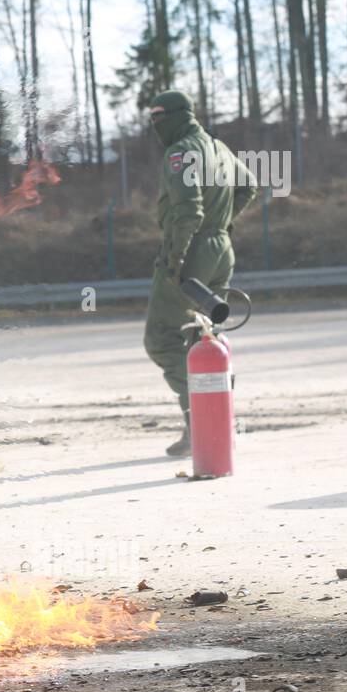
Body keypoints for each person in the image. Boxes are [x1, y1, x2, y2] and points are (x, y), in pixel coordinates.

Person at [143, 90, 257, 456]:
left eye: (158, 116)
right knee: (204, 337)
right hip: (221, 248)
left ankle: (200, 419)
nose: (155, 124)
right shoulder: (218, 147)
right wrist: (220, 225)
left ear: (177, 115)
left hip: (192, 253)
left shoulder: (180, 152)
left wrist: (176, 258)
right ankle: (218, 421)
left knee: (162, 337)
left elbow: (188, 210)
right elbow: (248, 187)